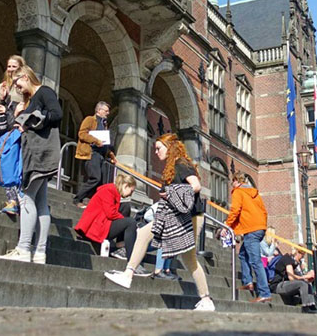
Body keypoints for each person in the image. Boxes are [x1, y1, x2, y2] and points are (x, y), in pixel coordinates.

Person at [105, 133, 214, 312]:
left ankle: (206, 299)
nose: (155, 152)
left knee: (189, 258)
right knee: (143, 234)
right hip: (173, 214)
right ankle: (128, 273)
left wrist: (171, 192)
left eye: (158, 148)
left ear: (169, 147)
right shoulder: (172, 166)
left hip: (190, 216)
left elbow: (195, 185)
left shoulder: (181, 163)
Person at [0, 66, 62, 264]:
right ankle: (40, 252)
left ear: (26, 77)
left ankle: (24, 248)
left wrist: (30, 121)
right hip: (40, 153)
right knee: (41, 202)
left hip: (39, 153)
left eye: (18, 83)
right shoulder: (32, 98)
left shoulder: (44, 92)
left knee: (26, 197)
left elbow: (56, 114)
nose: (18, 88)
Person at [224, 171, 271, 303]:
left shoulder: (238, 192)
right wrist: (262, 226)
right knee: (243, 254)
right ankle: (248, 281)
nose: (232, 185)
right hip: (259, 228)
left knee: (255, 261)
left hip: (251, 230)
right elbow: (264, 211)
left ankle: (264, 292)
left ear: (236, 181)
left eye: (232, 182)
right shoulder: (254, 193)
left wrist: (226, 226)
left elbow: (235, 210)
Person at [74, 174, 138, 260]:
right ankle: (131, 260)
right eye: (131, 191)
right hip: (97, 227)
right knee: (130, 222)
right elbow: (110, 213)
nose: (130, 195)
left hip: (101, 224)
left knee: (125, 208)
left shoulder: (113, 192)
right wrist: (124, 221)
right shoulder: (109, 190)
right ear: (126, 186)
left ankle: (121, 244)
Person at [0, 55, 26, 214]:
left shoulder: (23, 86)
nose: (11, 69)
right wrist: (2, 97)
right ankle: (12, 200)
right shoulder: (3, 86)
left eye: (14, 66)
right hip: (5, 127)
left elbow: (24, 108)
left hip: (18, 127)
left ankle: (16, 200)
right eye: (9, 66)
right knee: (6, 162)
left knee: (14, 163)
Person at [73, 101, 117, 208]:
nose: (108, 113)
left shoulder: (104, 124)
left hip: (101, 155)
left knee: (101, 181)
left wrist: (111, 154)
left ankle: (91, 201)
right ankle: (78, 198)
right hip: (92, 153)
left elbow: (104, 143)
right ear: (99, 110)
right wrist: (96, 140)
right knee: (95, 178)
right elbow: (82, 134)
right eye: (106, 111)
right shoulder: (90, 120)